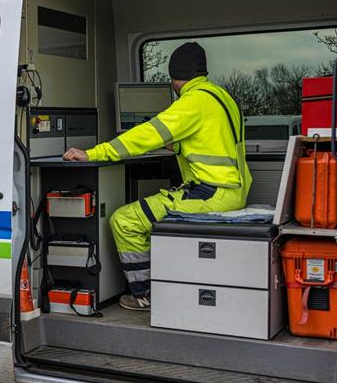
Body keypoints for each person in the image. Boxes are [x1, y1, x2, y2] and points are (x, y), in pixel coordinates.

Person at [63, 42, 252, 311]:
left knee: (125, 220)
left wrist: (94, 153)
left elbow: (148, 133)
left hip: (212, 194)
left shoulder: (192, 101)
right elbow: (209, 140)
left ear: (175, 79)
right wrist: (175, 144)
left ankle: (145, 295)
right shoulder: (220, 96)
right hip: (232, 191)